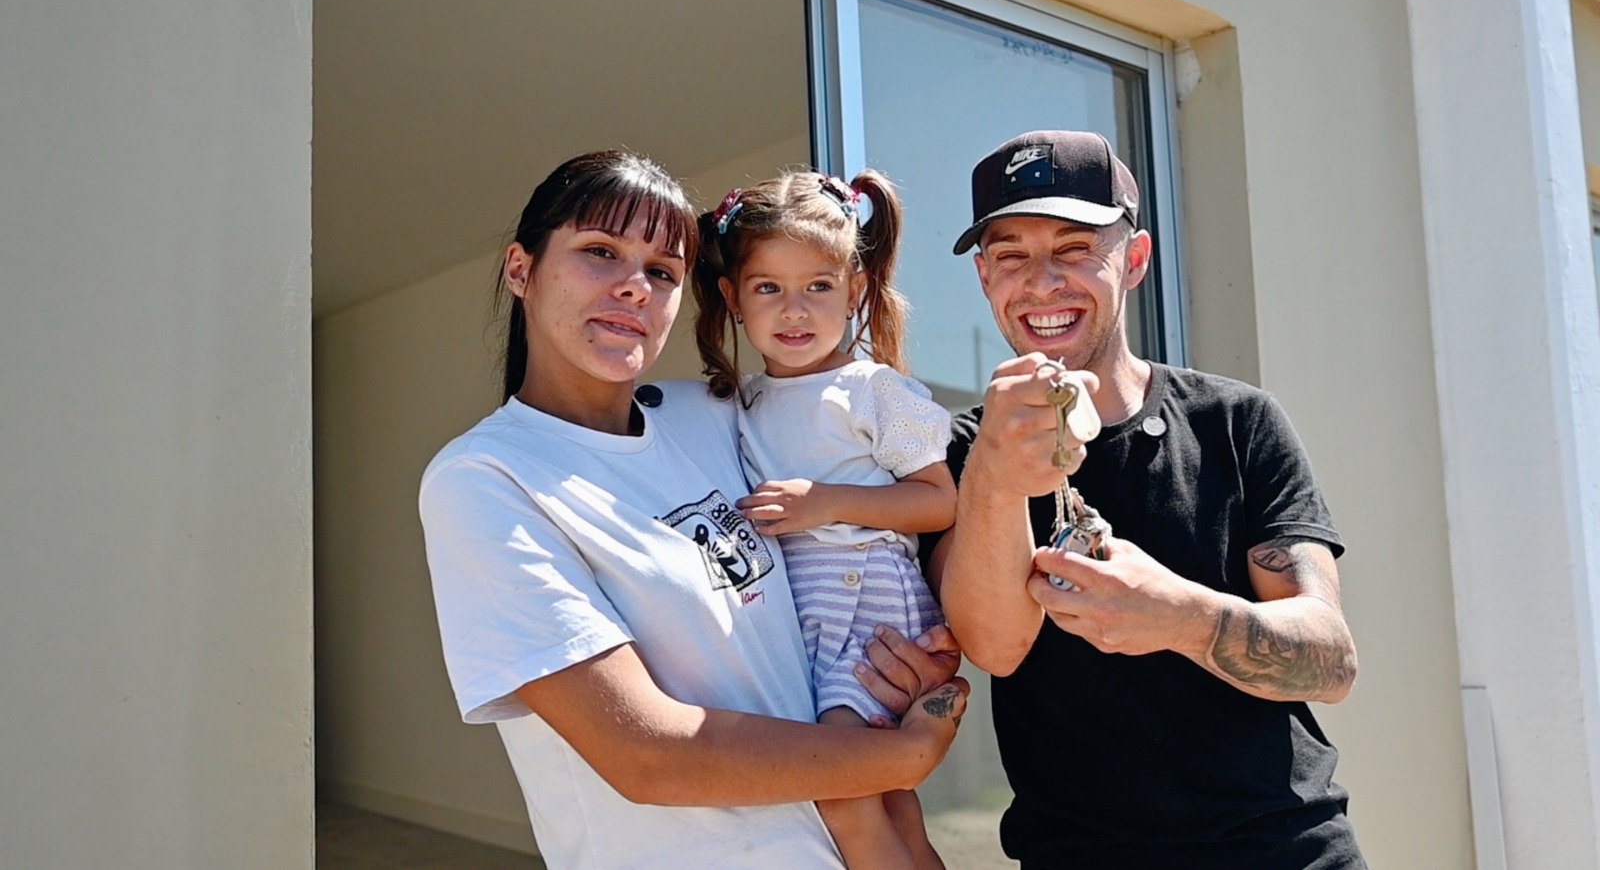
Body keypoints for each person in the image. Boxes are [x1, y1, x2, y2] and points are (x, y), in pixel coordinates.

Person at [417, 150, 968, 870]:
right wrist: (904, 755)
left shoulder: (719, 414)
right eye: (600, 252)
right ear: (521, 270)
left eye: (662, 271)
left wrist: (911, 653)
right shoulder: (488, 478)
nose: (633, 286)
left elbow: (880, 524)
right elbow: (647, 756)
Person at [923, 130, 1366, 869]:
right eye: (1011, 256)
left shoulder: (1236, 422)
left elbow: (1331, 660)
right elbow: (995, 646)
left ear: (1133, 260)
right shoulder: (958, 454)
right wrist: (997, 472)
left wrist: (1178, 615)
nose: (1041, 283)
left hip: (1285, 849)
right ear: (983, 277)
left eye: (1074, 249)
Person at [692, 170, 957, 869]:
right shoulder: (741, 402)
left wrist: (826, 502)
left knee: (840, 787)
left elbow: (939, 500)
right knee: (888, 797)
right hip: (803, 614)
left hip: (864, 600)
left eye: (818, 286)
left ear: (855, 291)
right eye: (768, 288)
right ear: (733, 298)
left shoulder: (871, 389)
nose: (795, 310)